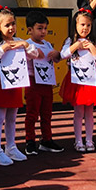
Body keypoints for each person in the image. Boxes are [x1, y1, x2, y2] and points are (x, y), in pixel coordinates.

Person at [0, 6, 40, 165]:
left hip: (16, 82)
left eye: (13, 24)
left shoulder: (19, 41)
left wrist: (26, 45)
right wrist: (3, 48)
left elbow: (35, 54)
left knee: (12, 117)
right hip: (1, 82)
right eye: (7, 25)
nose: (11, 28)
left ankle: (11, 146)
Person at [60, 9, 96, 152]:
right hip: (76, 82)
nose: (85, 28)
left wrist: (91, 47)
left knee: (89, 112)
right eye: (82, 25)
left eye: (88, 25)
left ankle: (89, 140)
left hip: (90, 81)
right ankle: (78, 140)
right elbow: (63, 54)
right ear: (75, 25)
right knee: (78, 112)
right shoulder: (70, 41)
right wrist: (76, 45)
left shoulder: (93, 42)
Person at [24, 10, 64, 156]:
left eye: (45, 28)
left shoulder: (47, 44)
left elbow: (56, 59)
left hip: (46, 83)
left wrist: (57, 54)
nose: (43, 32)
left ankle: (47, 139)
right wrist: (33, 53)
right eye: (39, 28)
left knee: (47, 113)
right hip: (33, 82)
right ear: (30, 30)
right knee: (32, 113)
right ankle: (30, 140)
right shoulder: (27, 44)